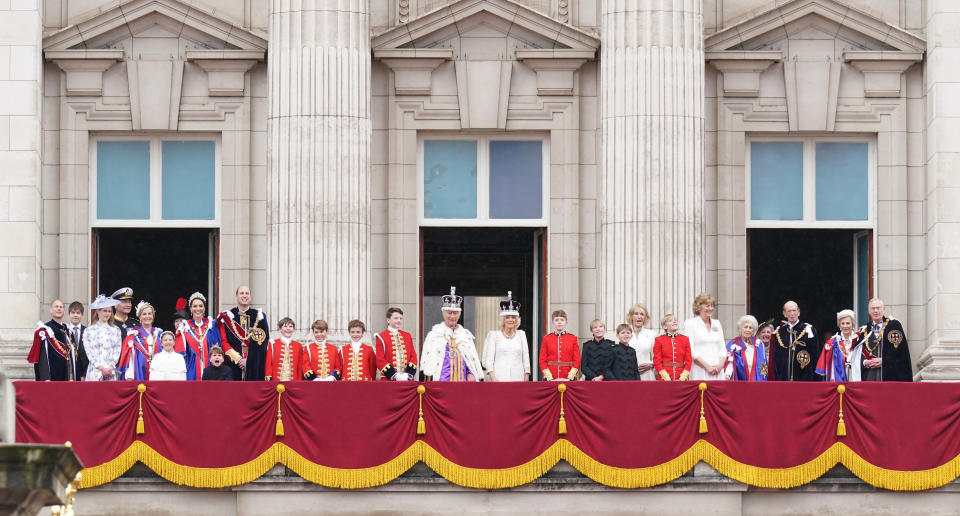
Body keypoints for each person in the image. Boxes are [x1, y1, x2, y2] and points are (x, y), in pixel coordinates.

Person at [421, 287, 482, 381]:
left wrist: (471, 373)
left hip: (462, 384)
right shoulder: (434, 334)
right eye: (449, 313)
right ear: (443, 313)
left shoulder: (466, 336)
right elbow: (426, 363)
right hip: (441, 382)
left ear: (459, 314)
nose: (452, 316)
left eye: (455, 313)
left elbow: (471, 360)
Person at [851, 298, 913, 382]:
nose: (875, 311)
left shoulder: (893, 326)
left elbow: (901, 352)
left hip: (889, 375)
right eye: (873, 308)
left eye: (878, 308)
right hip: (869, 375)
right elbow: (857, 354)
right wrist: (865, 362)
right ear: (869, 311)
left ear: (883, 310)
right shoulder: (864, 330)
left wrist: (884, 361)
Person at [217, 285, 270, 381]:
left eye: (247, 293)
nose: (244, 296)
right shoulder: (227, 317)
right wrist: (238, 359)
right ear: (236, 296)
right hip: (233, 366)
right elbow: (224, 342)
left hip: (254, 366)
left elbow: (263, 343)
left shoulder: (260, 316)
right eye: (241, 293)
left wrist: (248, 361)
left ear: (250, 296)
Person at [27, 299, 82, 381]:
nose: (59, 309)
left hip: (67, 377)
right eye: (56, 306)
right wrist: (45, 377)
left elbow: (73, 356)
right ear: (51, 310)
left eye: (61, 307)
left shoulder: (68, 330)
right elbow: (43, 357)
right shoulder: (45, 330)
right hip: (52, 378)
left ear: (64, 311)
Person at [482, 292, 530, 381]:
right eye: (507, 317)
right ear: (503, 320)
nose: (510, 320)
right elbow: (489, 361)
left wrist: (526, 378)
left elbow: (526, 359)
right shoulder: (494, 335)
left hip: (518, 378)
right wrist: (493, 378)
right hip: (498, 379)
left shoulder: (521, 335)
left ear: (516, 320)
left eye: (513, 317)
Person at [770, 301, 819, 381]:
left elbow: (815, 356)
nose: (792, 313)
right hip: (783, 378)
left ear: (798, 312)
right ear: (784, 314)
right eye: (789, 311)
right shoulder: (779, 332)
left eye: (794, 310)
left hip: (804, 378)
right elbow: (776, 359)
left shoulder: (809, 331)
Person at [177, 292, 221, 381]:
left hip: (211, 370)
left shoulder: (212, 325)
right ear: (190, 308)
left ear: (204, 308)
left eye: (201, 306)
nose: (198, 309)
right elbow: (180, 355)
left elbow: (218, 349)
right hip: (191, 371)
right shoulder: (184, 328)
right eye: (195, 306)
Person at [683, 293, 726, 381]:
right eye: (707, 306)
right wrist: (707, 366)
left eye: (712, 306)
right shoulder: (690, 324)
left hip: (718, 371)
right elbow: (690, 350)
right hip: (700, 370)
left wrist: (720, 366)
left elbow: (722, 348)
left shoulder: (717, 323)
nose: (710, 308)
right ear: (699, 307)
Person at [118, 301, 163, 381]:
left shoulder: (160, 334)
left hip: (158, 372)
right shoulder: (133, 335)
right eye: (144, 314)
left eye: (150, 314)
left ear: (153, 316)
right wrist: (129, 375)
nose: (147, 316)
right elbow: (129, 358)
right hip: (139, 372)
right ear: (139, 316)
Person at [84, 295, 123, 381]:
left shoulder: (116, 330)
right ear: (98, 311)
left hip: (111, 371)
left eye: (109, 311)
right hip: (95, 371)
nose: (107, 314)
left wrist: (111, 366)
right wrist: (100, 367)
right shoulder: (89, 331)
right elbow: (89, 352)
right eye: (105, 311)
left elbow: (117, 350)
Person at [375, 307, 418, 381]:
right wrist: (394, 375)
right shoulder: (381, 337)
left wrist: (408, 374)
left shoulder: (407, 336)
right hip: (389, 380)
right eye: (396, 318)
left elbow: (413, 356)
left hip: (406, 379)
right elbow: (380, 360)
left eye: (401, 318)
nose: (399, 321)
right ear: (388, 320)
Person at [816, 309, 858, 382]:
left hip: (855, 379)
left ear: (853, 324)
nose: (845, 326)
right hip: (837, 382)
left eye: (848, 323)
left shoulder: (859, 341)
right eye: (842, 323)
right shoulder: (832, 343)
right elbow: (823, 365)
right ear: (839, 325)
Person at [538, 309, 580, 381]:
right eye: (556, 320)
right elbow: (542, 360)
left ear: (566, 322)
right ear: (553, 323)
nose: (559, 322)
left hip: (568, 376)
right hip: (551, 377)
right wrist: (549, 377)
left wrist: (570, 377)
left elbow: (577, 360)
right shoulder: (546, 338)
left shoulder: (573, 338)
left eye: (562, 320)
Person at [724, 315, 768, 381]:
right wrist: (727, 375)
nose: (748, 330)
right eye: (745, 327)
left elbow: (763, 364)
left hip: (756, 382)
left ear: (753, 331)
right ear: (740, 329)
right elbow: (729, 362)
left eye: (750, 328)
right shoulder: (733, 344)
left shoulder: (759, 344)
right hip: (740, 382)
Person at [654, 314, 692, 381]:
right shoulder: (659, 340)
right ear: (665, 326)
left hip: (681, 376)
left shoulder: (685, 339)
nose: (674, 322)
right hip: (664, 377)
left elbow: (689, 361)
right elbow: (657, 361)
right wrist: (665, 376)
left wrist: (683, 377)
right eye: (670, 320)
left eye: (675, 320)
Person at [264, 317, 303, 382]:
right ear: (280, 329)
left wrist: (299, 381)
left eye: (290, 326)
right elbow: (268, 362)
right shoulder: (273, 344)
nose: (288, 329)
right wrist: (268, 376)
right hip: (276, 381)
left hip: (294, 382)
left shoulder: (298, 346)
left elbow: (300, 366)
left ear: (293, 329)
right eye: (285, 326)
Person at [626, 304, 656, 380]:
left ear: (645, 318)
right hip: (628, 374)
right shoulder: (625, 333)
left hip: (647, 374)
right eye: (636, 314)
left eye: (642, 314)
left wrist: (651, 364)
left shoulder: (651, 334)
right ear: (631, 317)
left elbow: (657, 356)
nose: (639, 316)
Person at [65, 302, 89, 381]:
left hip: (84, 373)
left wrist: (85, 374)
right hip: (69, 372)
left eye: (78, 313)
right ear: (69, 314)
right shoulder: (64, 330)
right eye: (73, 313)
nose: (75, 315)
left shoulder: (87, 331)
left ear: (82, 315)